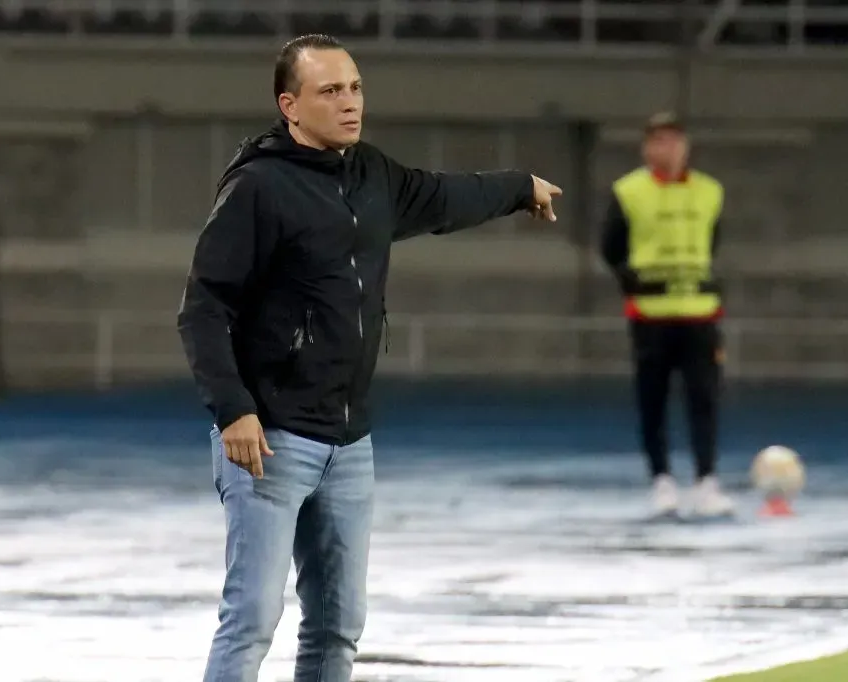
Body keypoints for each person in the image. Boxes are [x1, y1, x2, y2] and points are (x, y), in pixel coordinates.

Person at [177, 34, 562, 682]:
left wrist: (519, 186)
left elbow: (445, 197)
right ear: (290, 106)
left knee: (338, 626)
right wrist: (235, 409)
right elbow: (203, 309)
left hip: (349, 444)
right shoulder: (258, 188)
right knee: (251, 620)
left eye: (355, 88)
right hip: (269, 439)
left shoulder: (372, 175)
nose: (350, 102)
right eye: (331, 91)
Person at [599, 111, 735, 519]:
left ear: (686, 145)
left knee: (704, 399)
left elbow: (711, 244)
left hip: (700, 314)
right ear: (646, 147)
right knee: (652, 401)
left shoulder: (710, 191)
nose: (668, 147)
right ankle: (662, 481)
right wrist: (634, 284)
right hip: (651, 316)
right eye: (659, 140)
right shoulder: (629, 191)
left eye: (674, 139)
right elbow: (611, 247)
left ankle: (706, 481)